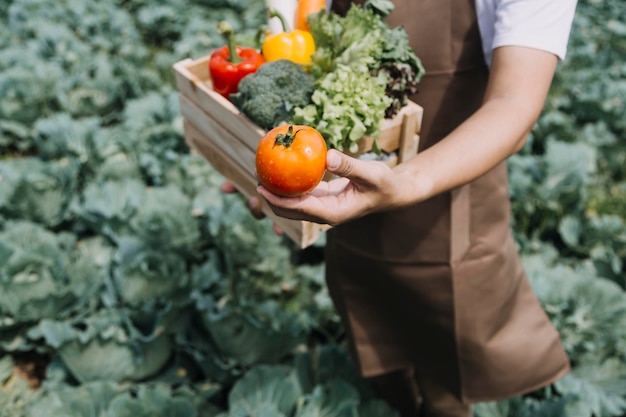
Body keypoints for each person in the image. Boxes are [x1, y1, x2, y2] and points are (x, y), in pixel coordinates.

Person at [225, 0, 578, 415]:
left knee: (444, 377)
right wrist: (258, 154)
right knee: (375, 345)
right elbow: (299, 25)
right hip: (346, 184)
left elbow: (514, 104)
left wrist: (406, 181)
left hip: (448, 200)